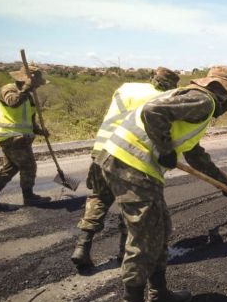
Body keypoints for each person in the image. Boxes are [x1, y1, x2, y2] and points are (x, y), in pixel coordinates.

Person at [95, 65, 227, 302]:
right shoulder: (203, 101)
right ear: (224, 93)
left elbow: (194, 154)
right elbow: (152, 111)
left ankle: (160, 295)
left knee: (161, 228)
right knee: (145, 234)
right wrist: (165, 147)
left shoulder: (195, 102)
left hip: (139, 167)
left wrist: (225, 183)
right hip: (129, 163)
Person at [71, 67, 180, 270]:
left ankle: (82, 246)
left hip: (101, 149)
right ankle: (124, 252)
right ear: (172, 85)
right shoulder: (165, 99)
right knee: (129, 204)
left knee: (98, 197)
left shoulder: (127, 88)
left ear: (152, 78)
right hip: (125, 156)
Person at [0, 65, 51, 209]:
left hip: (21, 138)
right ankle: (29, 197)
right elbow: (13, 102)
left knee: (10, 168)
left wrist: (40, 130)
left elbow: (30, 121)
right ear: (27, 80)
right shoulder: (8, 89)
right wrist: (27, 88)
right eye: (36, 83)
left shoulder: (30, 97)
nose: (38, 86)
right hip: (12, 137)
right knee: (28, 166)